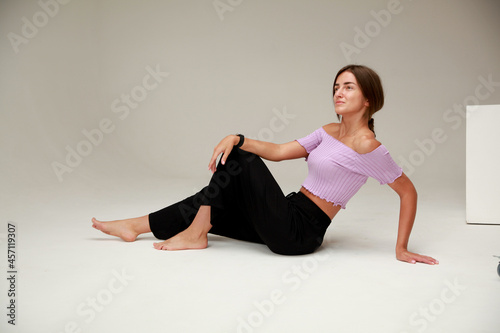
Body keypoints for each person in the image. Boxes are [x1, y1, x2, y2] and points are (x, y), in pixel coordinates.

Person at [92, 64, 439, 265]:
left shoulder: (369, 148)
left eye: (348, 87)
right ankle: (136, 226)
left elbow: (407, 192)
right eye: (336, 86)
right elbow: (277, 150)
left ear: (368, 98)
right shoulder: (329, 131)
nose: (339, 92)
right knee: (217, 197)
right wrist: (237, 136)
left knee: (239, 163)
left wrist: (401, 248)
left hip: (299, 233)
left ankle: (194, 235)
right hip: (286, 211)